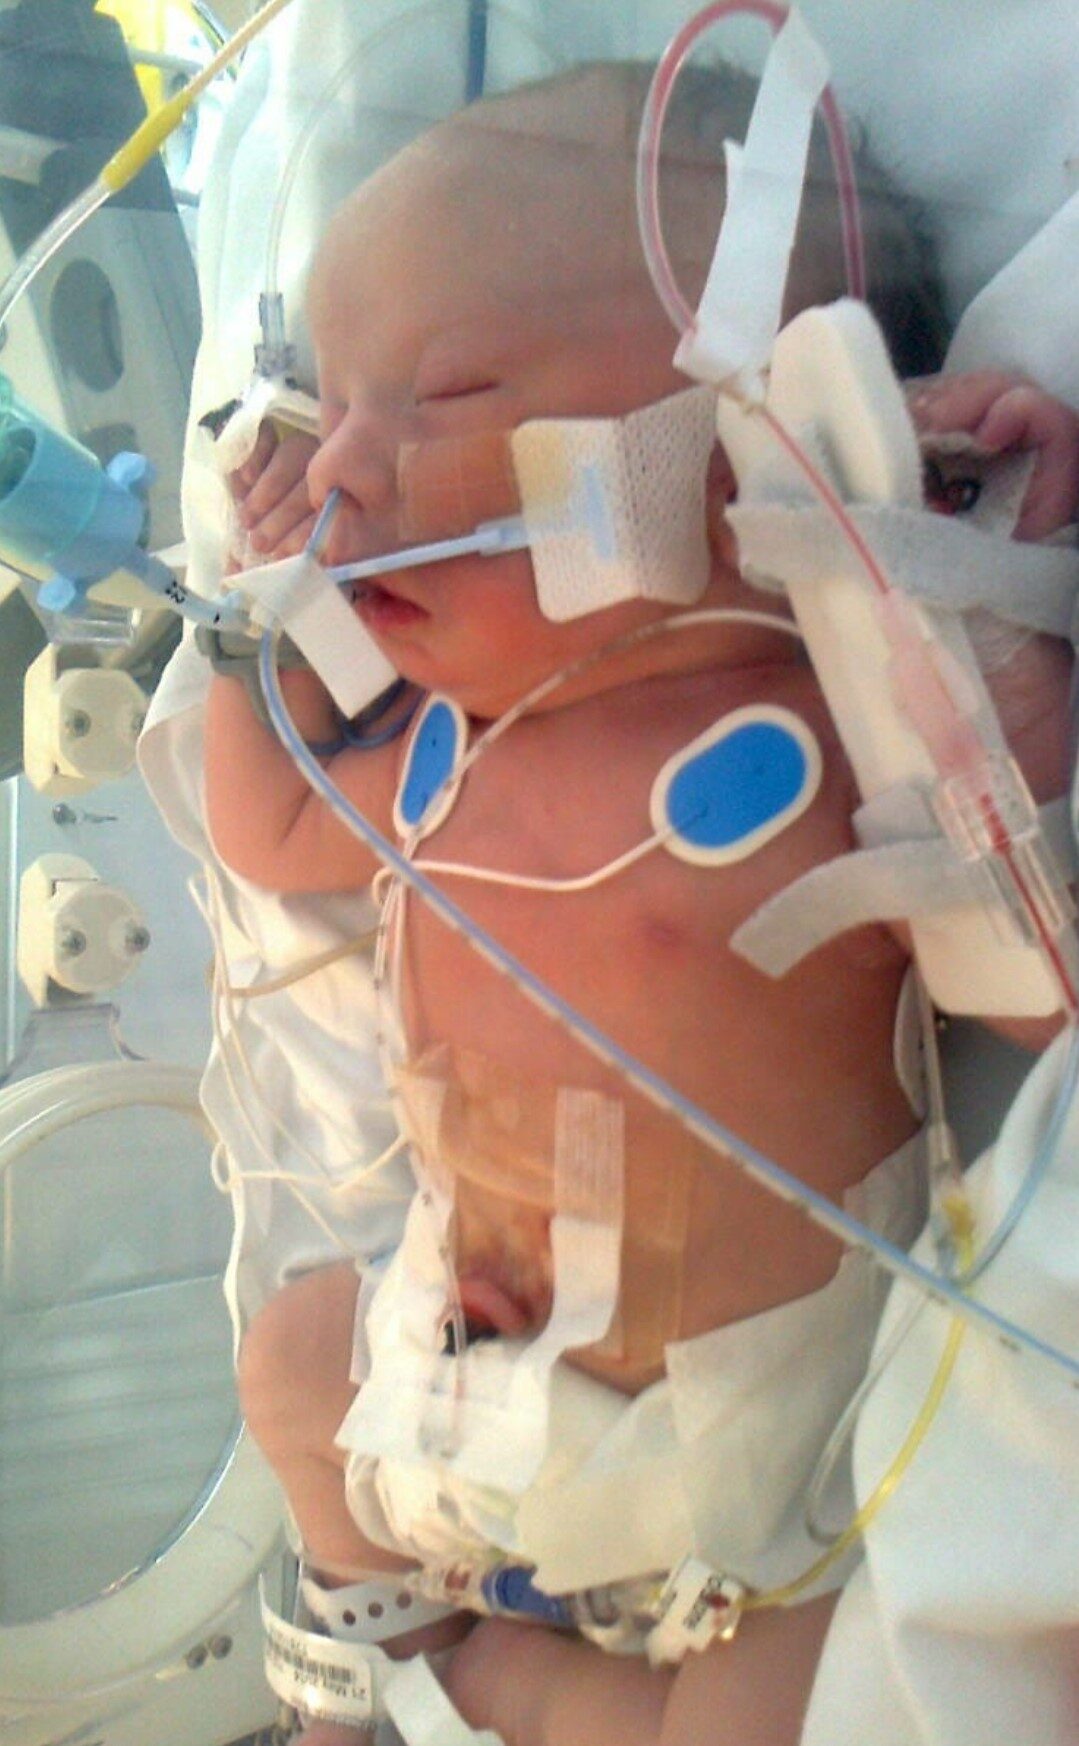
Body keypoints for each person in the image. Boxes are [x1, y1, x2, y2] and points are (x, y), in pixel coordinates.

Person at [203, 63, 1077, 1746]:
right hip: (454, 1405)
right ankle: (393, 1628)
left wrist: (975, 616)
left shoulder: (806, 740)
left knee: (766, 1719)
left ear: (725, 437)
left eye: (445, 394)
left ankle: (490, 1682)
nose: (345, 471)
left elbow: (1035, 989)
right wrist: (269, 627)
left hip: (737, 1478)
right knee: (291, 1361)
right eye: (333, 408)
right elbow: (267, 824)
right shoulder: (443, 746)